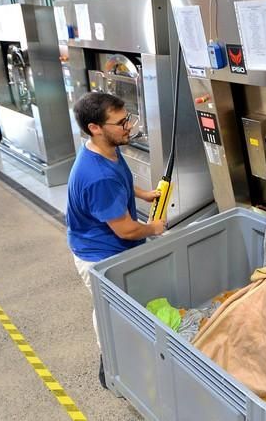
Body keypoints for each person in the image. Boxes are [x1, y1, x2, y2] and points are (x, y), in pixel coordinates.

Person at [66, 92, 166, 388]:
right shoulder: (97, 176)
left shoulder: (105, 148)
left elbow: (119, 179)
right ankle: (109, 367)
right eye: (121, 122)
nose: (129, 127)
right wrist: (155, 228)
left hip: (111, 245)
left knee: (125, 307)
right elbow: (126, 230)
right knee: (110, 312)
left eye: (128, 118)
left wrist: (143, 194)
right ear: (95, 127)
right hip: (100, 254)